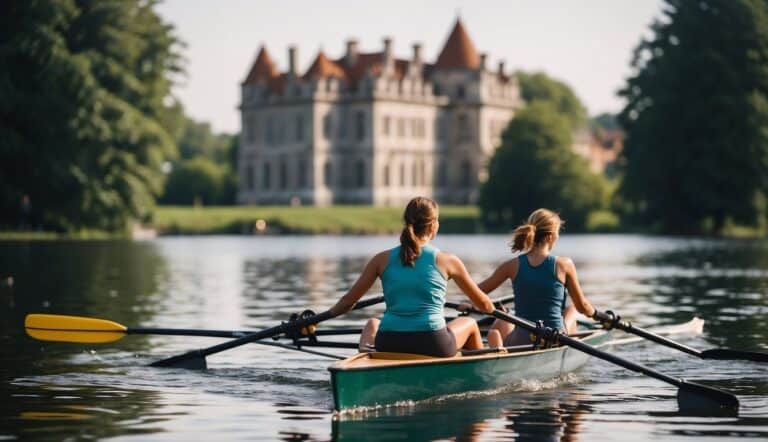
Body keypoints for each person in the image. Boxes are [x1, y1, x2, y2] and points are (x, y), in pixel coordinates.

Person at [330, 196, 495, 357]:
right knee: (471, 323)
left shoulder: (380, 259)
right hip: (432, 341)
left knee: (373, 322)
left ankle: (370, 365)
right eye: (437, 220)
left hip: (388, 342)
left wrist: (317, 319)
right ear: (432, 225)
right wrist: (492, 309)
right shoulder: (448, 260)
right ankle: (478, 374)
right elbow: (484, 305)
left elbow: (347, 302)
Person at [479, 208, 597, 348]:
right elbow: (582, 306)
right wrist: (595, 314)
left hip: (520, 341)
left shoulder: (511, 265)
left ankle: (498, 352)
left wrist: (469, 303)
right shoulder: (564, 264)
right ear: (550, 237)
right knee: (571, 310)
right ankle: (571, 348)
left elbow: (476, 290)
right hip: (555, 338)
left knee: (504, 318)